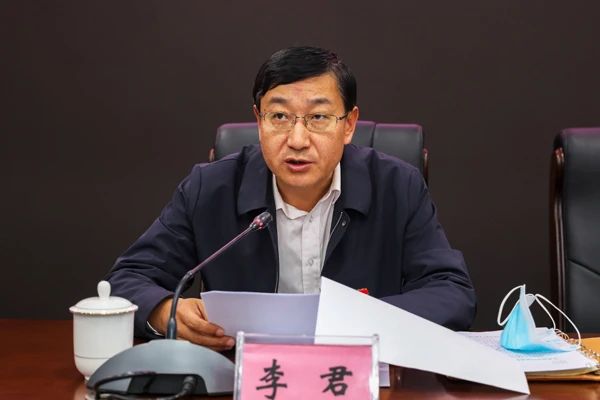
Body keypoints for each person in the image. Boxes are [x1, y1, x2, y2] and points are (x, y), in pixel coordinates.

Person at [107, 46, 476, 351]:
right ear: (259, 120)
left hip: (359, 378)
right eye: (280, 116)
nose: (298, 140)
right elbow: (127, 279)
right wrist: (166, 311)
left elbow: (451, 293)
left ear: (348, 125)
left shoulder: (397, 186)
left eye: (318, 117)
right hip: (243, 380)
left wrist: (360, 321)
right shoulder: (210, 188)